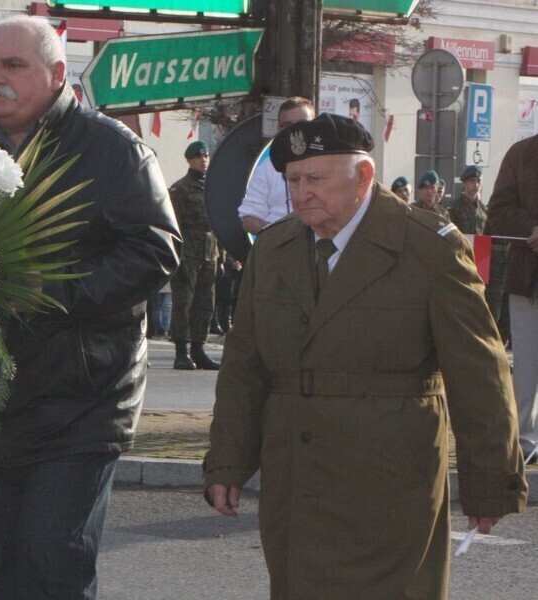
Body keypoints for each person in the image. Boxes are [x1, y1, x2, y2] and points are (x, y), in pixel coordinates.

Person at [203, 113, 527, 599]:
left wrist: (490, 482)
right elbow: (244, 369)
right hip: (296, 482)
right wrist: (227, 462)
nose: (302, 192)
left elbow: (479, 372)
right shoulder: (273, 250)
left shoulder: (428, 247)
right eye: (293, 180)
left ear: (364, 177)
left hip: (391, 483)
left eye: (316, 178)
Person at [0, 16, 181, 599]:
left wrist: (52, 293)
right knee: (8, 572)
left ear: (55, 74)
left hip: (83, 399)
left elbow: (156, 249)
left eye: (13, 66)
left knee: (54, 568)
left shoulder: (110, 148)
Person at [487, 133, 538, 465]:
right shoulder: (521, 154)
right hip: (528, 280)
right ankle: (526, 439)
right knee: (527, 370)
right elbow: (498, 210)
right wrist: (532, 227)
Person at [169, 140, 221, 371]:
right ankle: (182, 352)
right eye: (199, 157)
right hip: (187, 252)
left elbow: (218, 223)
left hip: (210, 252)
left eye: (206, 156)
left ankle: (199, 349)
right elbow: (174, 226)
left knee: (205, 303)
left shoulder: (213, 187)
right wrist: (175, 258)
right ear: (189, 160)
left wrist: (223, 257)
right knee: (184, 304)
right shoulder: (180, 189)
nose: (204, 160)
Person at [238, 97, 315, 235]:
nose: (295, 130)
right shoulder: (267, 167)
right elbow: (249, 219)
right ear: (279, 129)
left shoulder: (331, 162)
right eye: (288, 125)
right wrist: (280, 236)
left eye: (303, 123)